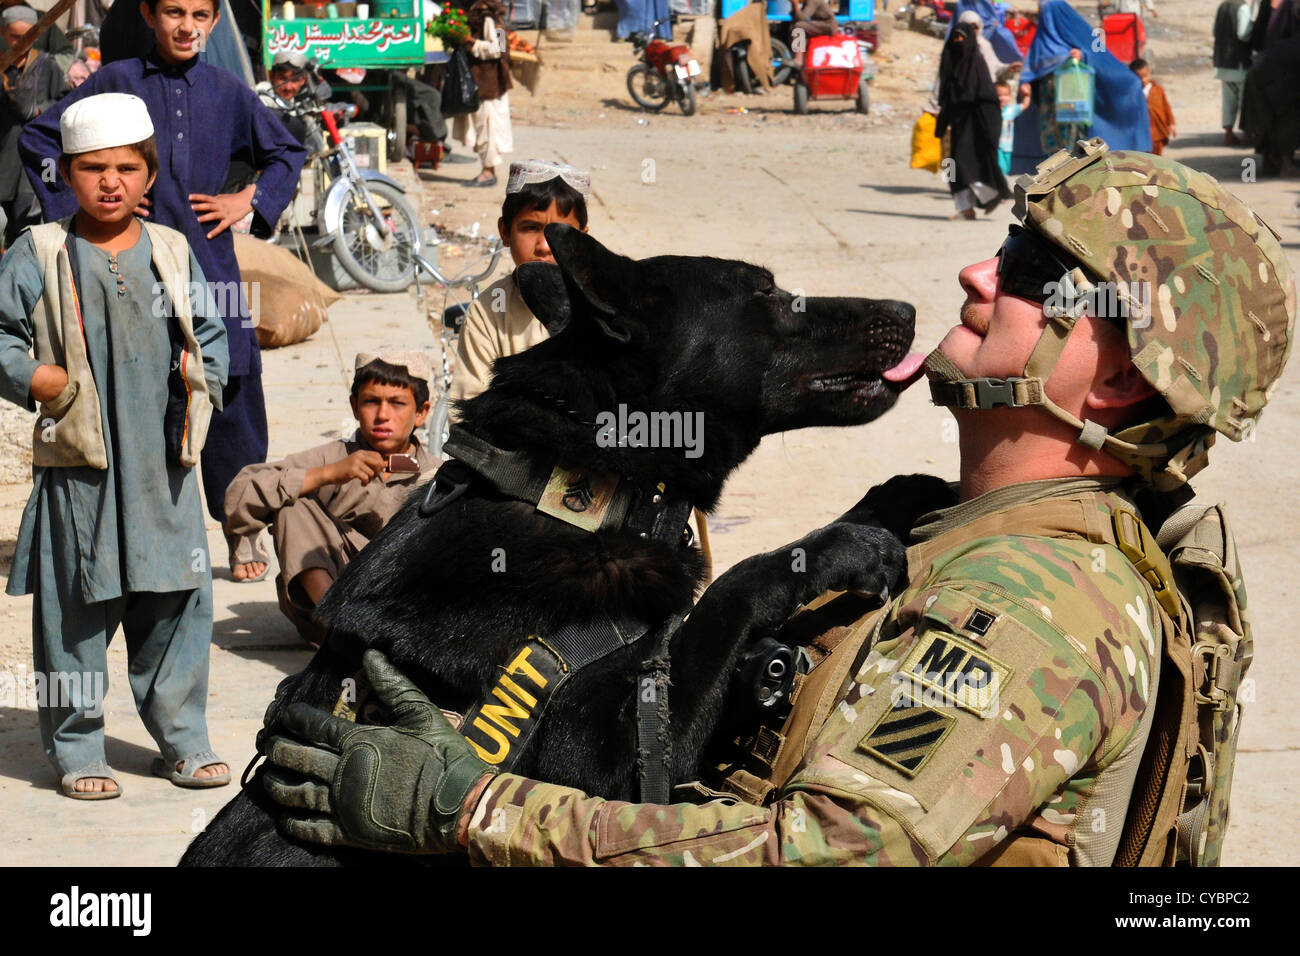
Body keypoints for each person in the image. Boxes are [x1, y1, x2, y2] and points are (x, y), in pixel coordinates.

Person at [258, 139, 1294, 865]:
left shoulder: (1027, 604)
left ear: (1111, 382)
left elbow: (829, 851)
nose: (978, 269)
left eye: (1030, 268)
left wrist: (467, 808)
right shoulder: (941, 525)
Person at [19, 0, 307, 577]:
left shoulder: (228, 90)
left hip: (212, 269)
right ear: (149, 15)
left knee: (231, 388)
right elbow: (39, 141)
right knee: (138, 393)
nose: (187, 26)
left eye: (200, 14)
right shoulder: (115, 83)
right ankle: (134, 532)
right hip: (129, 269)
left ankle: (241, 526)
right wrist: (96, 198)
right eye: (174, 11)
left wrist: (247, 200)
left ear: (215, 22)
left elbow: (287, 153)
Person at [0, 93, 231, 799]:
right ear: (66, 174)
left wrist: (201, 389)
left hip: (163, 470)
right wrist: (35, 376)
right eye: (93, 169)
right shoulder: (38, 250)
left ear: (149, 174)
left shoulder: (170, 248)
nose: (111, 183)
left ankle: (183, 741)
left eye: (127, 169)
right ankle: (77, 749)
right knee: (75, 612)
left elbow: (210, 336)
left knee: (176, 604)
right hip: (80, 470)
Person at [223, 352, 437, 646]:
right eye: (371, 401)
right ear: (354, 406)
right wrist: (327, 474)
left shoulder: (437, 473)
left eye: (397, 403)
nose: (383, 415)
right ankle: (343, 631)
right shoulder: (334, 457)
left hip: (403, 612)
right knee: (294, 504)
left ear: (422, 412)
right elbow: (240, 492)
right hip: (329, 613)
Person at [449, 160, 591, 406]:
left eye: (561, 232)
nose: (545, 246)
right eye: (530, 228)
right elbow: (469, 408)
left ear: (583, 239)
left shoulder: (604, 304)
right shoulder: (488, 312)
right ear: (505, 232)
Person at [1008, 1, 1150, 175]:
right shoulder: (1042, 41)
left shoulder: (1076, 36)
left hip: (1073, 110)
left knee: (1075, 147)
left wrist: (1083, 57)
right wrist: (1025, 82)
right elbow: (1032, 67)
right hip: (1050, 112)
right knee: (1054, 153)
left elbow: (1100, 57)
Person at [1, 5, 67, 249]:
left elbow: (64, 103)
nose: (22, 42)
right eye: (15, 36)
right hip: (3, 155)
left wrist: (41, 110)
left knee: (26, 221)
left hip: (32, 159)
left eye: (28, 35)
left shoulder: (46, 66)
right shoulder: (2, 64)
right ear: (4, 33)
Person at [936, 20, 1009, 220]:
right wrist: (941, 122)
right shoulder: (950, 63)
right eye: (955, 37)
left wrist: (989, 130)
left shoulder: (977, 65)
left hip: (979, 123)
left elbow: (987, 99)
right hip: (959, 123)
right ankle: (966, 208)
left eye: (962, 37)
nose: (959, 41)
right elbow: (944, 97)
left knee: (969, 162)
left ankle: (990, 196)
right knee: (954, 164)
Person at [455, 0, 513, 188]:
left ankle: (488, 172)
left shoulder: (489, 19)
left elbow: (498, 49)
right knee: (485, 128)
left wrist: (471, 42)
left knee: (488, 129)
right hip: (488, 83)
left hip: (489, 84)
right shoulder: (494, 19)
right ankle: (487, 170)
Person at [1213, 0, 1254, 146]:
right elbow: (1243, 34)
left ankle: (1228, 134)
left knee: (1228, 101)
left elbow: (1214, 31)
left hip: (1223, 63)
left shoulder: (1222, 6)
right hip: (1239, 62)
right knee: (1245, 100)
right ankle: (1246, 134)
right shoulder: (1242, 8)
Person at [1129, 58, 1174, 155]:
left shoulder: (1158, 89)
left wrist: (1171, 124)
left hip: (1158, 131)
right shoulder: (1133, 93)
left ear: (1149, 73)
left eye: (1145, 76)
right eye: (1139, 77)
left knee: (1157, 159)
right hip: (1142, 134)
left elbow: (1166, 106)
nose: (1143, 80)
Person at [995, 78, 1029, 174]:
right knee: (999, 167)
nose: (1002, 98)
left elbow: (1024, 105)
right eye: (999, 95)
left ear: (1009, 96)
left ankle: (1003, 179)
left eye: (1005, 95)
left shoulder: (1011, 110)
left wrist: (1027, 95)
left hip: (1008, 145)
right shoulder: (993, 110)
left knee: (1006, 167)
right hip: (997, 145)